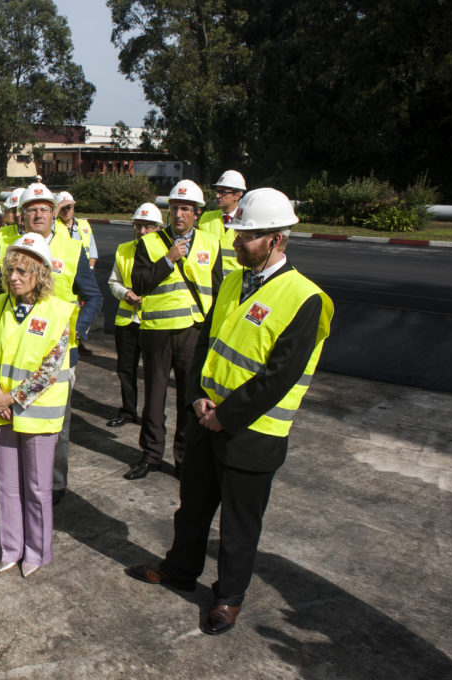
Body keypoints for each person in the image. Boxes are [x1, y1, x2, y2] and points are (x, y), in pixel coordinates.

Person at [128, 188, 334, 635]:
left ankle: (228, 598)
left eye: (247, 237)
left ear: (277, 240)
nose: (235, 242)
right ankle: (181, 570)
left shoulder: (305, 298)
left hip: (253, 433)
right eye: (237, 234)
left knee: (239, 525)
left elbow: (278, 377)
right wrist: (199, 396)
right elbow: (209, 342)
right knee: (192, 507)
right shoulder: (238, 280)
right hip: (207, 419)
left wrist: (227, 414)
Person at [0, 233, 73, 578]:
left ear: (40, 274)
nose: (14, 278)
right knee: (6, 485)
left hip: (36, 413)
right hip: (1, 409)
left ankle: (37, 550)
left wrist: (12, 397)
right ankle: (10, 547)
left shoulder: (59, 311)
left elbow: (50, 368)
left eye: (22, 271)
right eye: (10, 271)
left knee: (37, 488)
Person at [7, 183, 102, 504]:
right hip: (20, 351)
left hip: (60, 354)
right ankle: (21, 476)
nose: (38, 214)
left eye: (44, 209)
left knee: (57, 422)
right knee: (18, 414)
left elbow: (93, 297)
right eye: (31, 209)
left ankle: (55, 482)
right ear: (22, 215)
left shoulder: (73, 248)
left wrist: (79, 330)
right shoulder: (13, 246)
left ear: (54, 213)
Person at [128, 180, 223, 480]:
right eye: (174, 209)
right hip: (156, 332)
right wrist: (168, 260)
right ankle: (151, 455)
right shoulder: (149, 243)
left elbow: (219, 289)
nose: (179, 214)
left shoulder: (211, 243)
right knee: (154, 398)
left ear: (197, 214)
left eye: (185, 209)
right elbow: (140, 284)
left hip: (193, 332)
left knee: (188, 398)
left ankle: (184, 459)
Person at [106, 203, 163, 428]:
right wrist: (125, 293)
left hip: (155, 321)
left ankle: (153, 415)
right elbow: (113, 282)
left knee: (154, 374)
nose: (142, 231)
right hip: (127, 320)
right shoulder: (124, 249)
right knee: (125, 370)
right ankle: (128, 411)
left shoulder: (166, 252)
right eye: (139, 225)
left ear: (158, 228)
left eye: (148, 226)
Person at [198, 170, 247, 271]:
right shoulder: (206, 218)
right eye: (217, 191)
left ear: (237, 195)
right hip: (209, 282)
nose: (217, 196)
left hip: (236, 282)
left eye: (223, 192)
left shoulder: (247, 221)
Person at [55, 191, 97, 269]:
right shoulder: (53, 225)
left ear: (73, 208)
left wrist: (91, 268)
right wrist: (58, 206)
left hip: (83, 269)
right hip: (64, 269)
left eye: (69, 207)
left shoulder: (84, 225)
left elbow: (92, 250)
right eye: (62, 208)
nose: (66, 211)